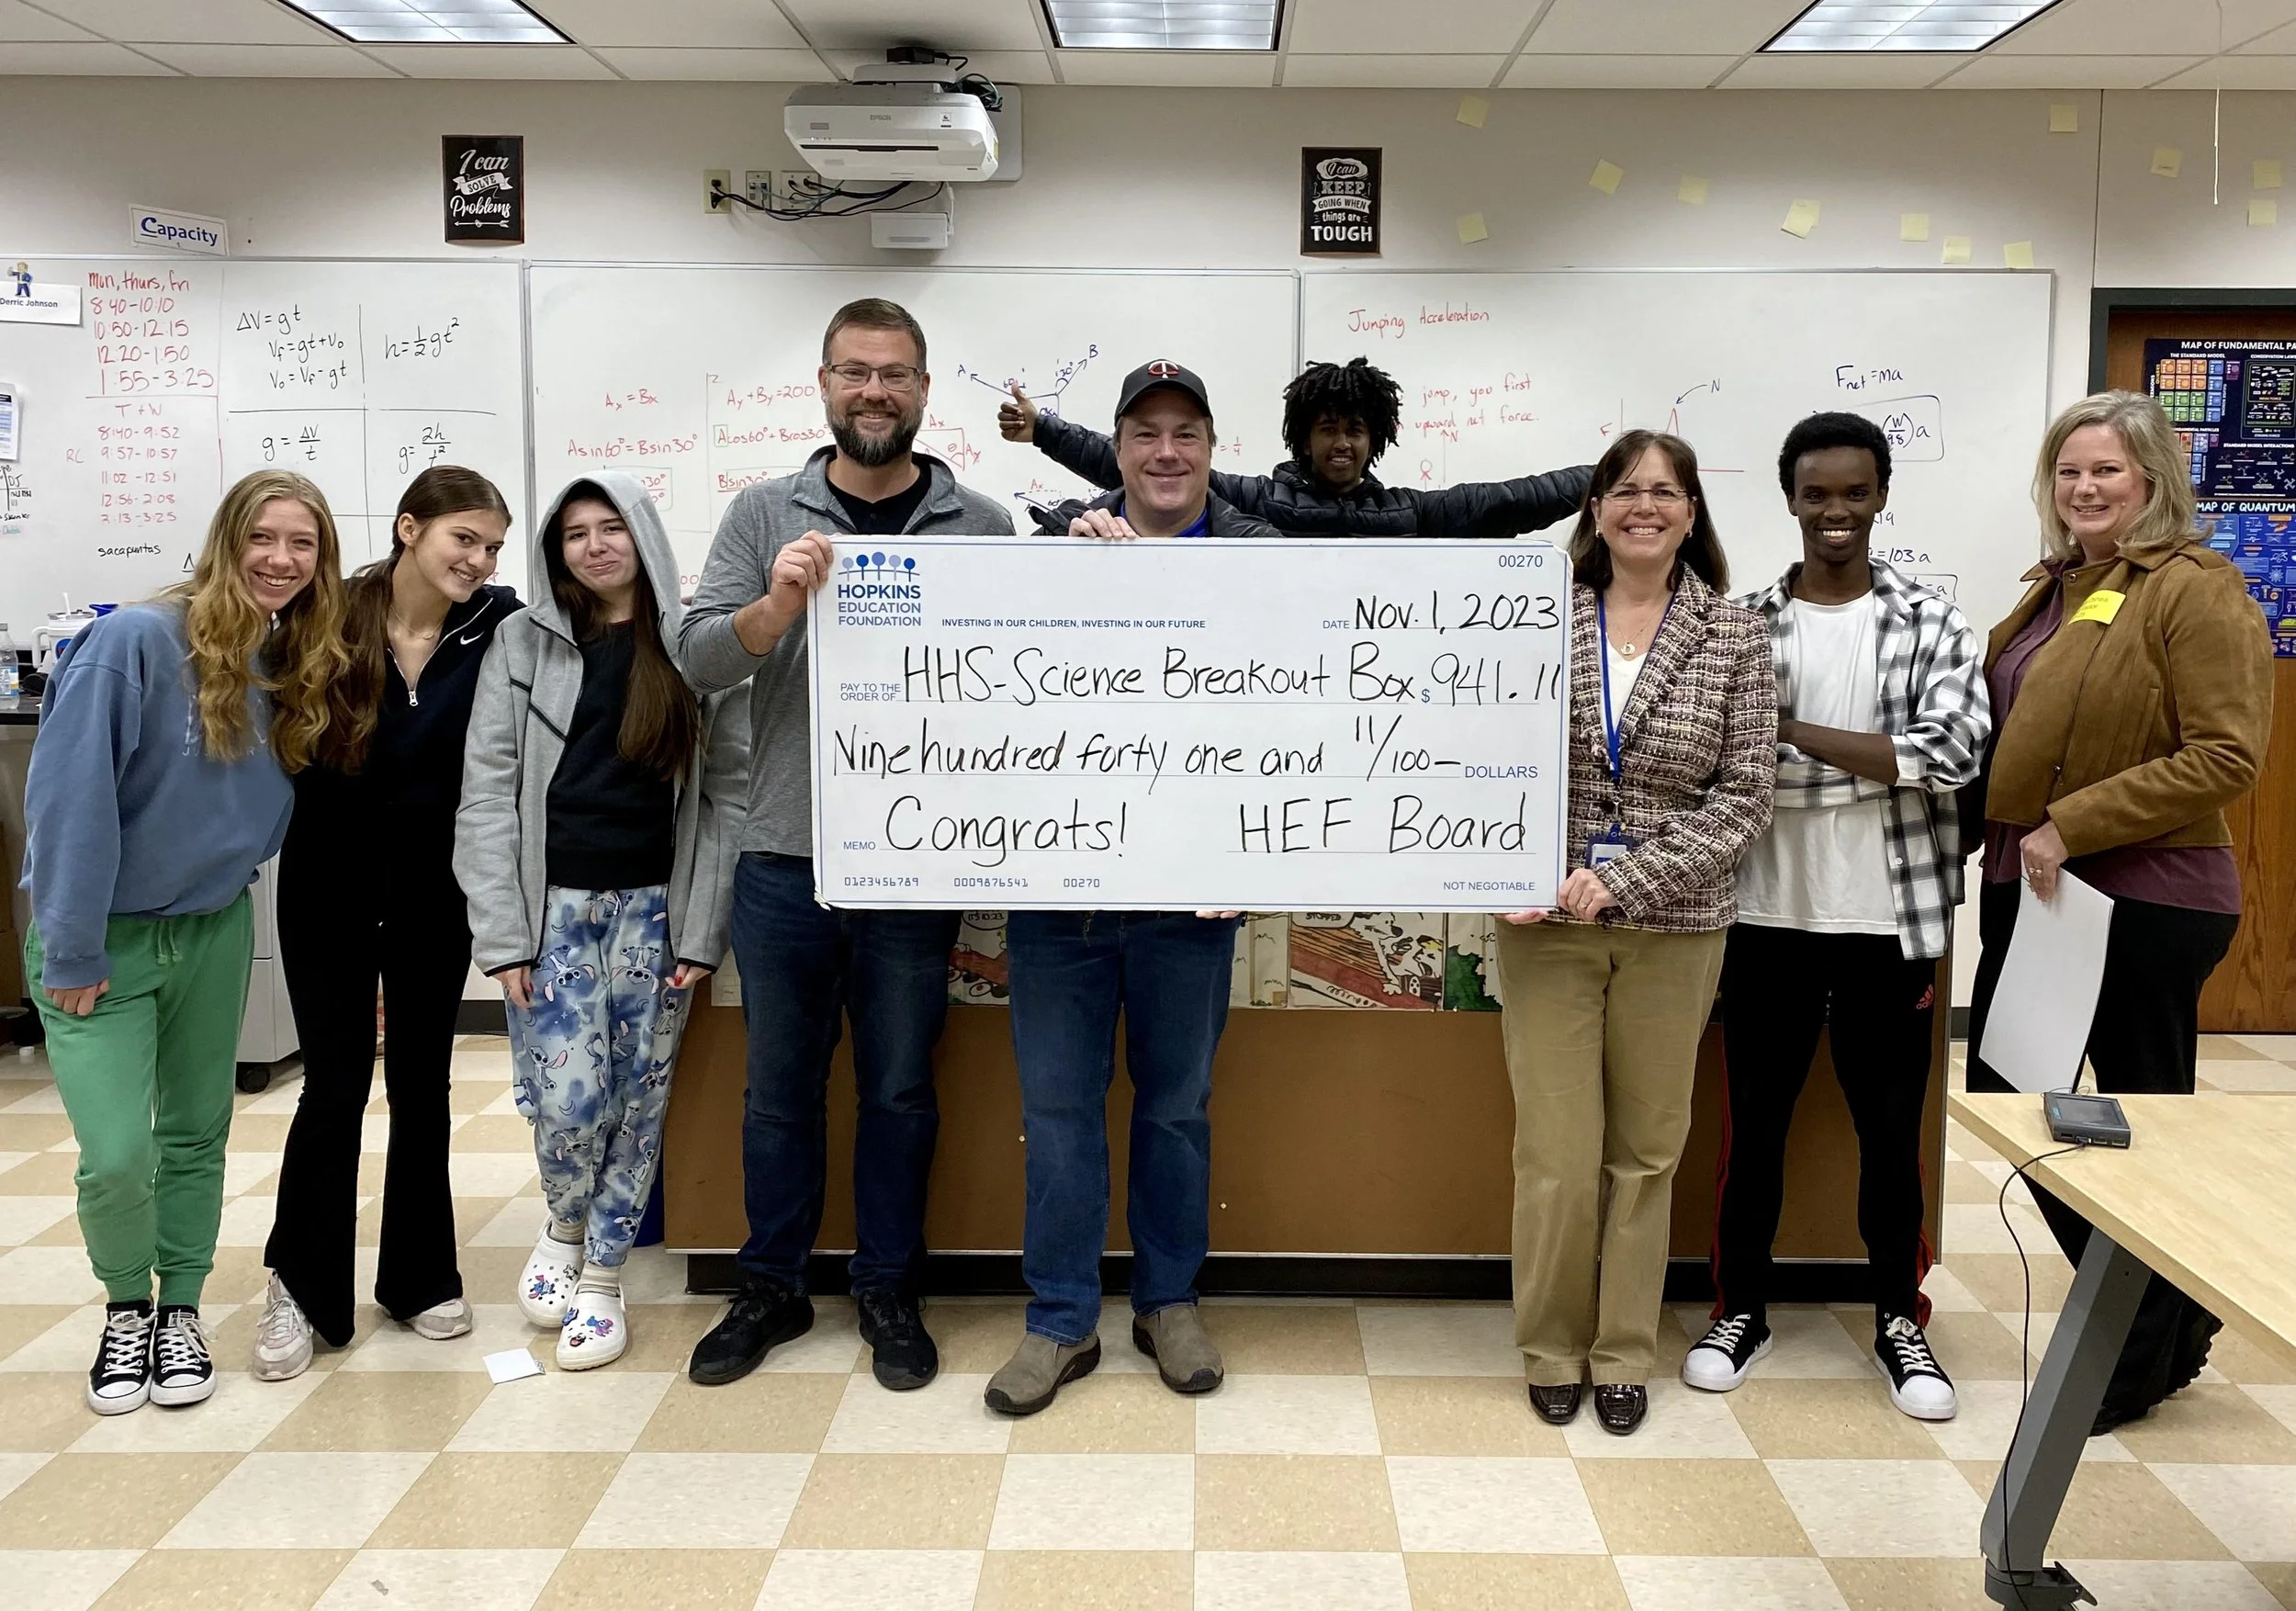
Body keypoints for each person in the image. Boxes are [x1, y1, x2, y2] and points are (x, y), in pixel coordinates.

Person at [679, 298, 1015, 1391]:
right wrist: (774, 609)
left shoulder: (983, 526)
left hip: (918, 862)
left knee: (901, 1089)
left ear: (924, 391)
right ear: (823, 384)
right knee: (778, 1088)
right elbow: (696, 660)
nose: (876, 390)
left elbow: (1016, 682)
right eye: (855, 371)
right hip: (786, 856)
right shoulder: (760, 511)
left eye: (897, 374)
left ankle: (885, 1287)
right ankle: (770, 1285)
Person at [1965, 389, 2272, 1433]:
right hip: (2037, 887)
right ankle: (2168, 1306)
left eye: (2106, 470)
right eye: (2067, 471)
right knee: (2013, 1098)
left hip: (2139, 896)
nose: (2085, 487)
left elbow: (2225, 755)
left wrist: (2071, 823)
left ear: (2151, 480)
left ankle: (2138, 1352)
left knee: (2140, 1126)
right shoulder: (2059, 588)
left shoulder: (2195, 588)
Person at [985, 361, 1279, 1417]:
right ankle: (1059, 1320)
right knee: (1057, 1113)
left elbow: (1295, 721)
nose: (1166, 452)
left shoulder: (1263, 558)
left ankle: (1168, 1299)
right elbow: (998, 698)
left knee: (1175, 1112)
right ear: (1115, 448)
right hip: (1057, 893)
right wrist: (1067, 578)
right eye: (1145, 433)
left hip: (1188, 899)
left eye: (1185, 432)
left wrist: (1249, 854)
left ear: (1211, 446)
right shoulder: (1056, 551)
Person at [20, 469, 347, 1414]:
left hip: (211, 929)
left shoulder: (288, 660)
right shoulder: (135, 640)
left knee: (198, 1133)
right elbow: (68, 803)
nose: (281, 561)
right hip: (102, 941)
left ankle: (182, 1314)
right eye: (265, 537)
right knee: (118, 1151)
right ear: (225, 539)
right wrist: (73, 945)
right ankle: (128, 1306)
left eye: (304, 544)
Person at [1685, 413, 1990, 1420]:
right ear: (1788, 500)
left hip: (1887, 919)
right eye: (1817, 493)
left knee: (1890, 1136)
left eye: (1854, 492)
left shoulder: (1933, 622)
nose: (1835, 512)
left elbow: (1949, 758)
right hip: (1762, 917)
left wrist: (1787, 736)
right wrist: (1875, 758)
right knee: (1751, 1136)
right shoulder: (1739, 620)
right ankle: (1741, 1311)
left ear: (1881, 495)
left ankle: (1900, 1320)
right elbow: (1715, 768)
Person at [1496, 429, 1775, 1437]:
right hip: (1541, 926)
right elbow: (1482, 753)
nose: (1642, 506)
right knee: (1556, 1153)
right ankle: (1550, 1344)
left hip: (1674, 926)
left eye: (1664, 491)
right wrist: (1498, 865)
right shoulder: (1533, 616)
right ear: (1597, 509)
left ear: (1691, 513)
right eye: (1624, 489)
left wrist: (1622, 880)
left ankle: (1621, 1351)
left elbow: (1744, 796)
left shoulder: (1735, 634)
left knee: (1647, 1153)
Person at [456, 474, 746, 1369]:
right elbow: (485, 791)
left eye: (610, 525)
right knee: (567, 1095)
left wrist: (701, 928)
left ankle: (605, 1273)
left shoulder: (690, 647)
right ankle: (562, 1221)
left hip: (656, 909)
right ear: (556, 550)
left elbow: (725, 796)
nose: (593, 544)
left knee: (637, 1097)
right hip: (554, 912)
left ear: (643, 535)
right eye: (574, 531)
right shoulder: (521, 641)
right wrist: (502, 933)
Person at [252, 467, 519, 1381]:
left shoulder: (499, 625)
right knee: (332, 1084)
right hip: (324, 879)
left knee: (422, 1080)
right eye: (463, 541)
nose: (478, 561)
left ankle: (418, 1275)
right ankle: (299, 1282)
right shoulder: (325, 614)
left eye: (490, 547)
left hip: (433, 889)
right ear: (411, 528)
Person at [999, 355, 1592, 538]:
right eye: (1328, 429)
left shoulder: (1405, 515)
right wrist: (1045, 430)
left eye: (1356, 430)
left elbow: (1505, 501)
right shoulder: (1257, 503)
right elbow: (1143, 466)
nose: (1342, 444)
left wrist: (1608, 476)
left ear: (1375, 439)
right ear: (1301, 438)